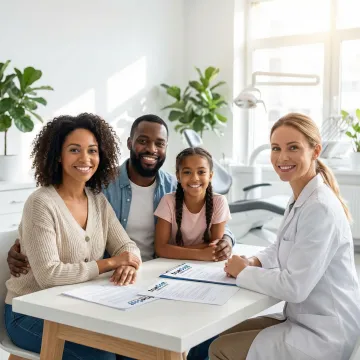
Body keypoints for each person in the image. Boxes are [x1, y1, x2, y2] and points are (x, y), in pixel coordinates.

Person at [209, 113, 360, 360]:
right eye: (276, 148)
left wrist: (243, 272)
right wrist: (254, 262)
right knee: (221, 335)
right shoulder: (301, 196)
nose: (282, 157)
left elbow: (295, 287)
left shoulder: (319, 207)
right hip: (305, 318)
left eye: (293, 148)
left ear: (315, 151)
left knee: (220, 349)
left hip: (325, 333)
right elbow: (282, 245)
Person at [7, 114, 234, 275]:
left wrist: (227, 239)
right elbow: (53, 228)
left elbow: (208, 218)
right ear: (129, 143)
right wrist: (23, 246)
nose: (151, 149)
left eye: (159, 143)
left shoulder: (176, 187)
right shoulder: (101, 186)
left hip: (155, 272)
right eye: (143, 141)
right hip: (108, 276)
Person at [4, 113, 141, 360]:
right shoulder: (41, 203)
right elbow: (49, 275)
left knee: (136, 345)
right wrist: (110, 263)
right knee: (104, 356)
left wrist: (130, 263)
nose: (85, 158)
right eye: (75, 150)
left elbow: (126, 245)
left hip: (80, 307)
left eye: (92, 150)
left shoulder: (98, 200)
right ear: (58, 155)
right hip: (29, 313)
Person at [154, 147, 231, 260]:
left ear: (210, 176)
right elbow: (160, 248)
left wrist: (174, 250)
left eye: (201, 172)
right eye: (187, 172)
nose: (195, 178)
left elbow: (215, 247)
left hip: (202, 265)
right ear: (178, 176)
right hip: (169, 263)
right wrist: (200, 254)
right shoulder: (168, 201)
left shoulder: (219, 202)